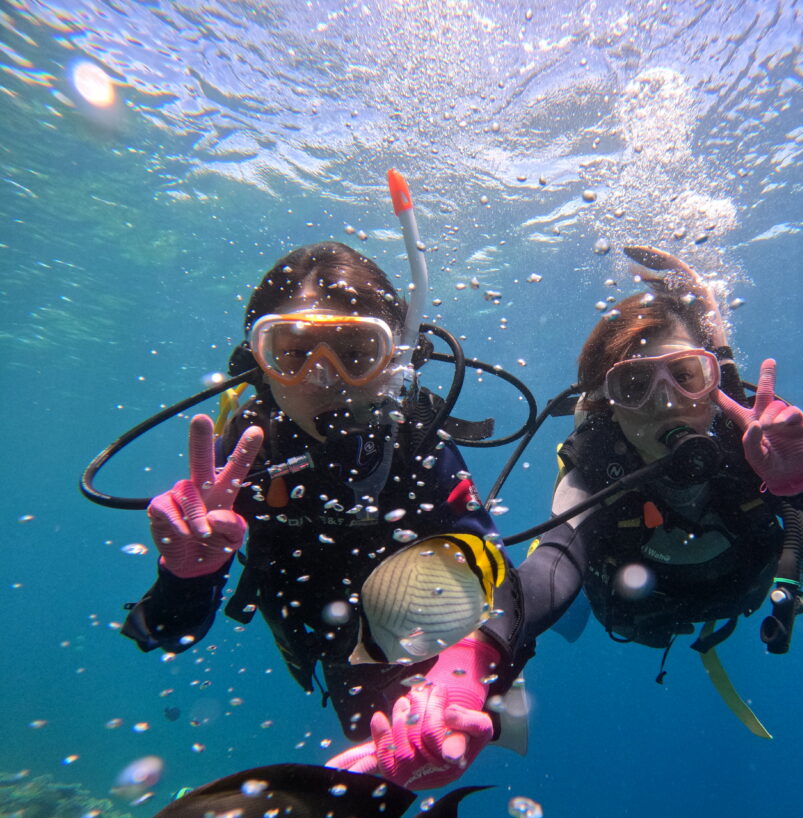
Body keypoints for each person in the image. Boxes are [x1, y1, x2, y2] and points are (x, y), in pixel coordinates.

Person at [339, 245, 803, 777]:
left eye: (687, 374)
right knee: (554, 612)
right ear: (607, 406)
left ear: (714, 380)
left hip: (737, 593)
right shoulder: (596, 468)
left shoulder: (763, 447)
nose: (667, 400)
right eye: (634, 387)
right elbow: (550, 566)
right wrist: (477, 651)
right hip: (625, 608)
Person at [122, 241, 530, 787]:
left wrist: (465, 666)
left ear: (397, 361)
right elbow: (169, 636)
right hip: (319, 640)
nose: (323, 376)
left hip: (417, 632)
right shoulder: (246, 454)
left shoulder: (415, 441)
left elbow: (488, 565)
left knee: (453, 739)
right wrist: (186, 578)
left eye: (356, 351)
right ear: (258, 365)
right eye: (292, 352)